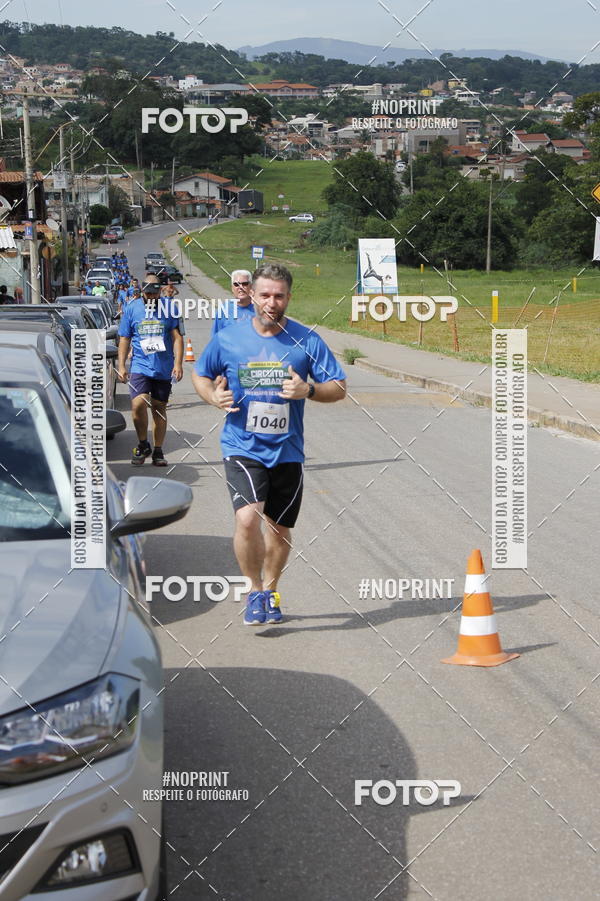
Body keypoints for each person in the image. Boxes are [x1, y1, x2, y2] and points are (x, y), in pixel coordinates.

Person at [192, 263, 346, 626]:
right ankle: (254, 589)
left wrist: (307, 390)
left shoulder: (306, 340)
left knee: (278, 527)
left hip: (287, 450)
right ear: (252, 295)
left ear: (289, 297)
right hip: (242, 445)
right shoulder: (229, 338)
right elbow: (201, 374)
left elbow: (338, 387)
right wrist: (213, 397)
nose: (271, 302)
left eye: (279, 296)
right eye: (264, 294)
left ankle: (271, 590)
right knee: (247, 519)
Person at [117, 280, 183, 466]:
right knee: (138, 404)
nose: (152, 298)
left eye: (155, 294)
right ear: (142, 293)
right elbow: (124, 338)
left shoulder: (170, 308)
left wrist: (178, 363)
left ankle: (158, 451)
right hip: (140, 365)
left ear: (160, 292)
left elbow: (177, 337)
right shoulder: (132, 308)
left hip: (163, 366)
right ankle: (142, 443)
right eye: (148, 295)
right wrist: (122, 366)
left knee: (158, 408)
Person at [211, 269, 255, 337]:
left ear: (251, 286)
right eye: (236, 284)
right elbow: (216, 338)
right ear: (232, 288)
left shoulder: (259, 310)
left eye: (245, 284)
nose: (241, 287)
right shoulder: (224, 309)